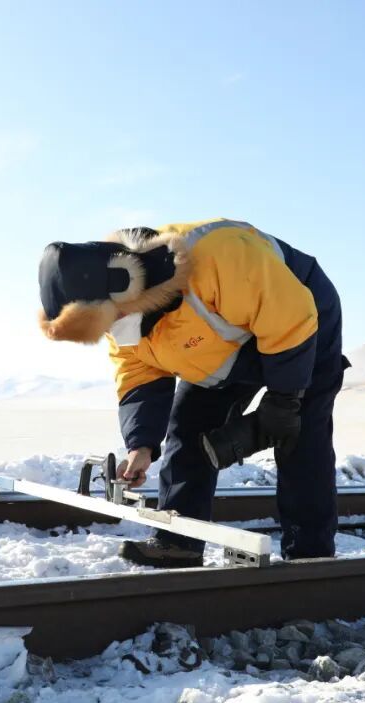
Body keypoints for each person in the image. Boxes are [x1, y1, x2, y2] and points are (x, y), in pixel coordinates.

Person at [37, 219, 347, 567]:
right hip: (223, 345)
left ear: (125, 285)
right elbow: (138, 375)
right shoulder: (120, 320)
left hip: (302, 321)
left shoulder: (219, 257)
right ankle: (178, 542)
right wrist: (141, 444)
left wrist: (285, 399)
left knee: (299, 433)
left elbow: (289, 316)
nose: (108, 329)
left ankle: (310, 553)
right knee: (187, 427)